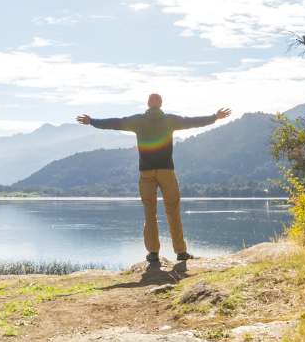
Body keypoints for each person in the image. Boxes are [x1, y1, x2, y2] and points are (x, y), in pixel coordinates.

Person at [76, 93, 231, 265]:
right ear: (161, 104)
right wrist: (214, 117)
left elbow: (115, 123)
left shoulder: (138, 120)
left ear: (148, 104)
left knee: (149, 213)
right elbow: (192, 121)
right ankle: (180, 252)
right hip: (166, 171)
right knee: (173, 210)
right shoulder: (170, 120)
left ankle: (153, 253)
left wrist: (92, 121)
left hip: (146, 173)